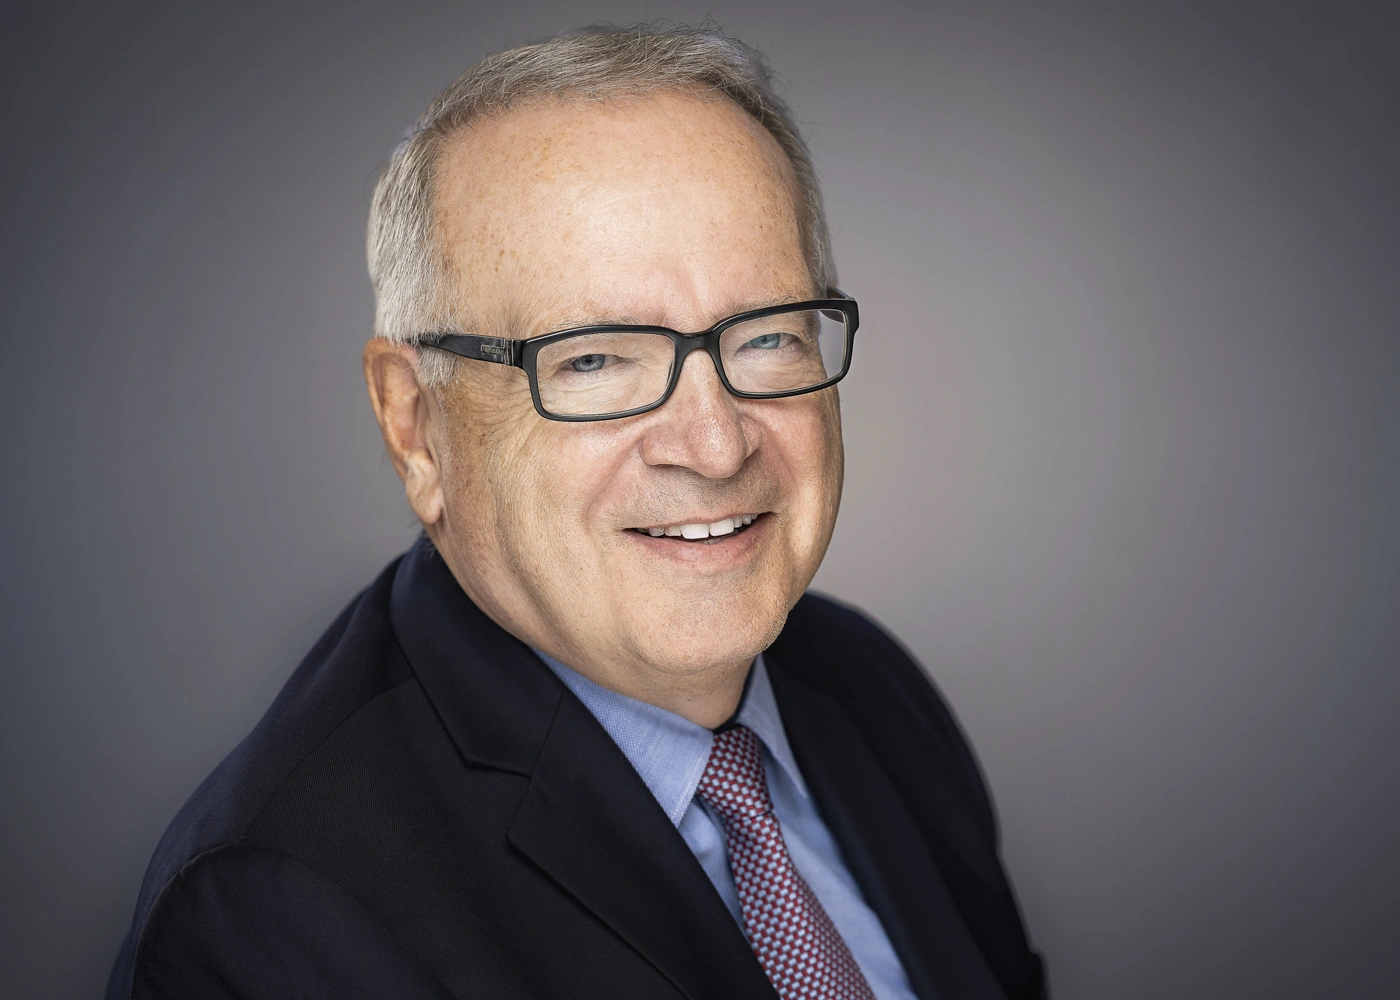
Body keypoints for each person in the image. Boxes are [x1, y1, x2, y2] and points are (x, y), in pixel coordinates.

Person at [107, 24, 1046, 1000]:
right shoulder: (282, 910)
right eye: (594, 359)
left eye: (766, 336)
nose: (714, 443)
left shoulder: (866, 689)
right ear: (415, 424)